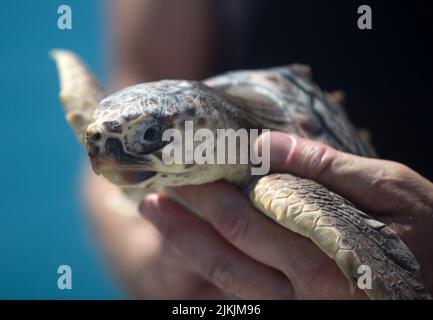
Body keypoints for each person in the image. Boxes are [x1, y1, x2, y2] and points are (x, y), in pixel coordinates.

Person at [84, 0, 433, 298]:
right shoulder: (143, 150)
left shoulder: (279, 186)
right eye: (94, 142)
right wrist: (161, 270)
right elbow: (137, 82)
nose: (105, 155)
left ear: (207, 124)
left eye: (149, 135)